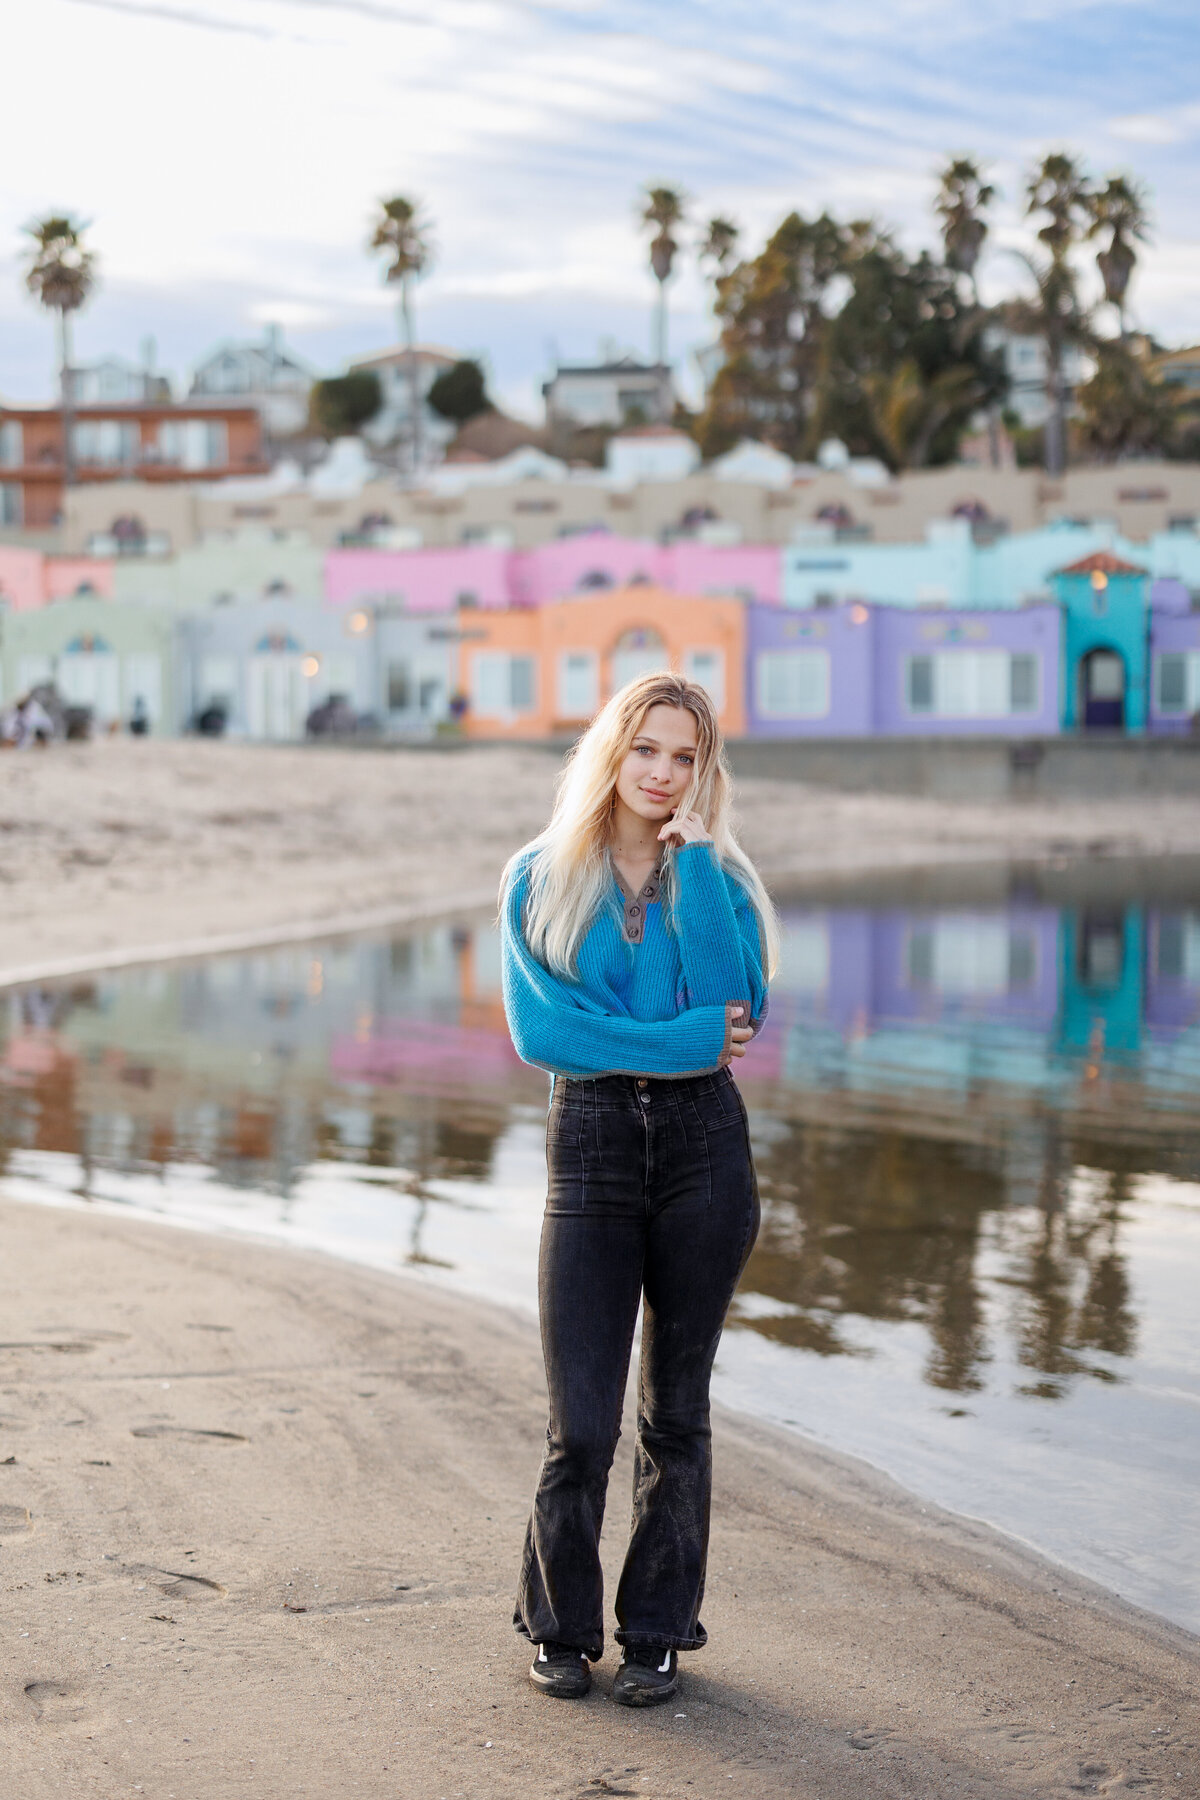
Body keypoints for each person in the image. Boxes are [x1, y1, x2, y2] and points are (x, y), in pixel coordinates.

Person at [500, 671, 778, 1708]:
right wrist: (682, 1045)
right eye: (646, 749)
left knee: (677, 1414)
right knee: (581, 1421)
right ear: (610, 753)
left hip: (707, 1157)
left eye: (685, 757)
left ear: (705, 772)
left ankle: (657, 1630)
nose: (662, 774)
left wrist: (697, 861)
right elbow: (547, 1034)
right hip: (592, 1149)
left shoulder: (722, 880)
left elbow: (735, 1006)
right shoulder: (538, 875)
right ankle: (559, 1627)